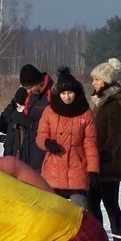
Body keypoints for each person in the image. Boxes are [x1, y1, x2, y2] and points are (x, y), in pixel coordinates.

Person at [35, 66, 99, 208]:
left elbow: (90, 144)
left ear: (76, 92)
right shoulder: (49, 111)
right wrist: (46, 142)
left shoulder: (86, 113)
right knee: (52, 212)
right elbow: (40, 136)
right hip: (53, 171)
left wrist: (93, 170)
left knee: (79, 211)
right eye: (63, 93)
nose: (67, 97)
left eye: (70, 92)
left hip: (77, 171)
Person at [89, 57, 121, 241]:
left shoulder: (116, 103)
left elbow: (115, 135)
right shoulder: (100, 102)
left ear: (107, 81)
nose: (93, 83)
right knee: (92, 205)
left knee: (111, 206)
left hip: (109, 163)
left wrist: (105, 157)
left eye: (97, 79)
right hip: (95, 162)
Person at [6, 64, 54, 172]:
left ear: (38, 82)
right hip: (28, 149)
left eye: (30, 87)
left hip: (43, 153)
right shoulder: (31, 94)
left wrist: (29, 122)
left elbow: (54, 125)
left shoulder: (52, 94)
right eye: (26, 88)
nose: (28, 91)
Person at [0, 86, 28, 160]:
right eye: (18, 104)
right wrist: (11, 107)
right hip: (10, 153)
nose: (20, 107)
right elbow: (1, 127)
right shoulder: (12, 112)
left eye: (22, 105)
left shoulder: (30, 114)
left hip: (24, 155)